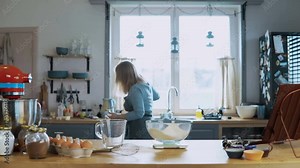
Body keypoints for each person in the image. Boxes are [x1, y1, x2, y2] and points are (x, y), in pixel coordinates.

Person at [108, 61, 160, 139]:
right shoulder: (145, 84)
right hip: (148, 123)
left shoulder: (135, 89)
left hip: (139, 125)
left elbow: (139, 113)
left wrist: (118, 116)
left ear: (123, 77)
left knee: (136, 148)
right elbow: (156, 96)